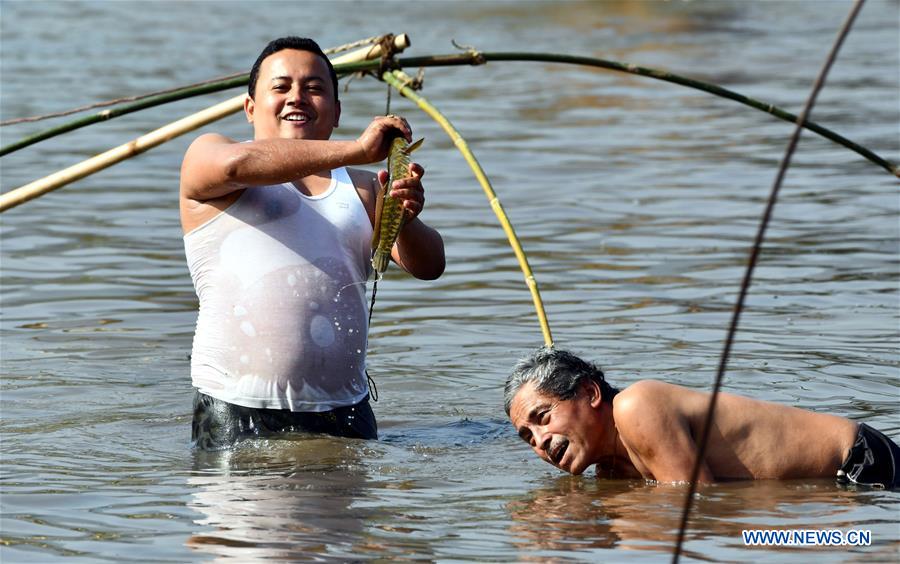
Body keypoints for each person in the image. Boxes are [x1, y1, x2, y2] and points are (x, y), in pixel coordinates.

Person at [180, 37, 445, 450]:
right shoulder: (212, 156)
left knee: (345, 517)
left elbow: (430, 265)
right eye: (281, 87)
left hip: (346, 410)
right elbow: (237, 165)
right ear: (250, 108)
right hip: (236, 408)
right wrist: (356, 149)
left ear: (337, 112)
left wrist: (406, 220)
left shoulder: (362, 187)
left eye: (315, 88)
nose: (297, 98)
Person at [505, 347, 900, 489]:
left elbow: (694, 504)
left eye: (543, 417)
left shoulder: (636, 405)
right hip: (835, 489)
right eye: (527, 438)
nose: (539, 440)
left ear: (590, 393)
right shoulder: (610, 468)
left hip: (861, 464)